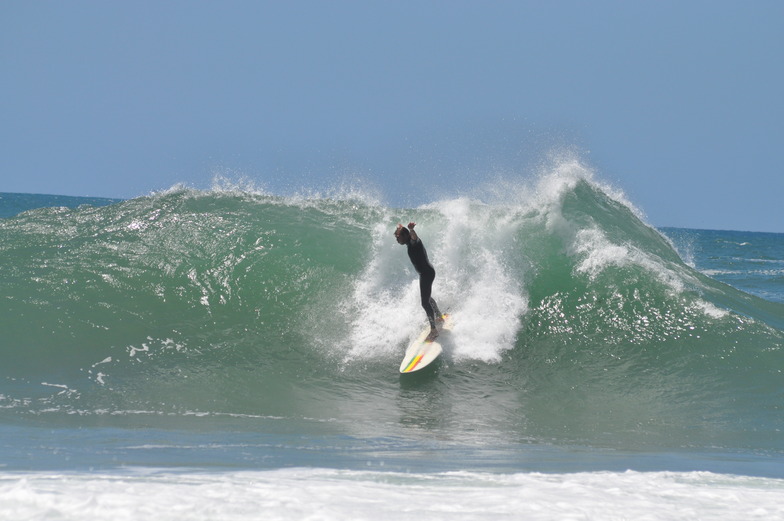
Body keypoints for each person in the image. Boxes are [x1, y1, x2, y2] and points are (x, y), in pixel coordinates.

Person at [395, 222, 443, 341]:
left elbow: (414, 238)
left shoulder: (413, 242)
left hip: (427, 274)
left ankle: (433, 330)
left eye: (398, 237)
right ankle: (439, 316)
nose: (397, 239)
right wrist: (400, 228)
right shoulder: (409, 244)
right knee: (428, 298)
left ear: (406, 236)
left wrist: (411, 229)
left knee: (424, 302)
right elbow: (409, 237)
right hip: (425, 273)